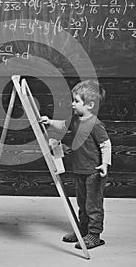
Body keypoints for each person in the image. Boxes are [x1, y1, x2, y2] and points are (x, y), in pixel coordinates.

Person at [40, 79, 111, 250]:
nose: (73, 104)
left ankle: (94, 235)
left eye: (77, 101)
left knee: (93, 205)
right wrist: (49, 121)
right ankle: (83, 230)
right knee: (82, 202)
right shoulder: (75, 120)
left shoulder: (95, 124)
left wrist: (105, 164)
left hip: (93, 172)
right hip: (79, 170)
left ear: (90, 105)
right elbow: (63, 125)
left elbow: (105, 144)